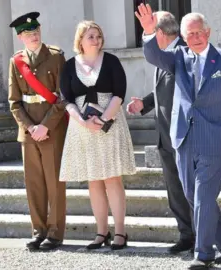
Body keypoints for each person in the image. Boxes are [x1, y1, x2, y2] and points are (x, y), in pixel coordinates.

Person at [135, 4, 221, 269]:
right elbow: (153, 55)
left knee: (204, 196)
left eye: (200, 32)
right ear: (183, 37)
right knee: (191, 194)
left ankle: (204, 254)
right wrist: (149, 31)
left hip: (216, 139)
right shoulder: (178, 58)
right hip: (184, 139)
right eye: (190, 34)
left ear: (207, 32)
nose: (195, 37)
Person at [59, 21, 136, 251]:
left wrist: (104, 120)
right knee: (94, 180)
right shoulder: (70, 65)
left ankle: (121, 232)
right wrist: (82, 121)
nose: (96, 39)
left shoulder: (111, 61)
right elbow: (66, 100)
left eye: (98, 35)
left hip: (109, 123)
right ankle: (101, 232)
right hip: (82, 127)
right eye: (91, 36)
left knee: (112, 178)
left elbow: (119, 94)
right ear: (80, 40)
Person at [127, 11, 195, 255]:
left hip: (185, 136)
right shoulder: (166, 55)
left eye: (149, 30)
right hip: (165, 135)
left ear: (159, 33)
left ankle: (203, 238)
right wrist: (144, 104)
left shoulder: (186, 52)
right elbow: (163, 90)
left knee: (191, 190)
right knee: (175, 189)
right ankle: (186, 235)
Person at [8, 11, 67, 251]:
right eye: (28, 34)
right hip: (29, 131)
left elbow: (63, 96)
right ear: (20, 37)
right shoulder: (16, 61)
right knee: (34, 184)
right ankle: (38, 231)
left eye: (36, 32)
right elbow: (14, 102)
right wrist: (31, 127)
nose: (34, 36)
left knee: (54, 182)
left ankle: (55, 232)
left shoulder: (55, 57)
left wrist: (45, 126)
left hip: (51, 128)